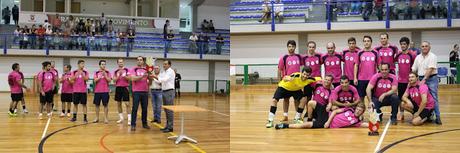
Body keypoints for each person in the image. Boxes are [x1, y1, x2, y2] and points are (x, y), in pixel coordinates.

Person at [412, 41, 442, 125]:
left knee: (433, 97)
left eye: (426, 46)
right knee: (422, 98)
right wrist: (411, 77)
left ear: (429, 47)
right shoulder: (418, 57)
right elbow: (414, 69)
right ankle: (427, 115)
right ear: (420, 48)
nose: (424, 47)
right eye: (422, 46)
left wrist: (424, 80)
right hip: (420, 78)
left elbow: (430, 69)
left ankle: (438, 117)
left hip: (431, 79)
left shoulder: (433, 56)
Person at [275, 103, 368, 129]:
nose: (358, 111)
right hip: (327, 115)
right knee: (311, 103)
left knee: (306, 125)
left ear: (362, 112)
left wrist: (373, 116)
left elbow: (369, 125)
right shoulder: (349, 110)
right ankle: (310, 117)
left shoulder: (357, 122)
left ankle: (285, 125)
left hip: (325, 124)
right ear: (356, 109)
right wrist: (328, 121)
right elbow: (335, 112)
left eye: (360, 111)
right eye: (357, 109)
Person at [278, 40, 303, 121]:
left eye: (292, 46)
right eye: (289, 46)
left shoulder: (299, 57)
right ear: (287, 47)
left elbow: (303, 67)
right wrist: (279, 82)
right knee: (286, 99)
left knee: (297, 100)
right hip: (286, 83)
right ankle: (285, 116)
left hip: (296, 83)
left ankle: (298, 116)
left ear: (295, 47)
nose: (291, 48)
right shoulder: (284, 58)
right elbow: (279, 69)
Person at [150, 60, 176, 133]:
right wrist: (153, 78)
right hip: (164, 91)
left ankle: (170, 127)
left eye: (165, 64)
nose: (164, 65)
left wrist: (155, 76)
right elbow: (160, 81)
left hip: (169, 92)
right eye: (163, 64)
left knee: (169, 110)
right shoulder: (165, 72)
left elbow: (164, 79)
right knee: (166, 109)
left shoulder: (170, 71)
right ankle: (167, 126)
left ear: (169, 65)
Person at [395, 37, 416, 121]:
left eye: (404, 44)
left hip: (409, 81)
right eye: (401, 44)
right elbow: (392, 61)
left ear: (408, 45)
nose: (402, 46)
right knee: (400, 98)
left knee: (411, 98)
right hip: (400, 81)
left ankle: (414, 112)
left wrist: (413, 79)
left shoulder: (412, 54)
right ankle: (401, 113)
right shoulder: (398, 54)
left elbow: (415, 67)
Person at [355, 36, 379, 104]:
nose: (366, 42)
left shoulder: (375, 53)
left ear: (371, 42)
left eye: (368, 41)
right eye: (365, 41)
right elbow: (356, 65)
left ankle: (372, 113)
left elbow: (379, 65)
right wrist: (355, 78)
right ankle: (361, 114)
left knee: (371, 98)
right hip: (361, 79)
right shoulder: (359, 53)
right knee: (361, 98)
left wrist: (379, 77)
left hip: (372, 79)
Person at [130, 56, 151, 131]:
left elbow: (150, 82)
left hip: (145, 91)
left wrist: (149, 76)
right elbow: (133, 78)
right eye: (138, 60)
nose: (139, 61)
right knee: (135, 108)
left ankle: (144, 124)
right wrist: (142, 76)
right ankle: (133, 124)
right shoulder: (133, 69)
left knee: (144, 109)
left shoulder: (146, 69)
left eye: (141, 60)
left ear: (143, 61)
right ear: (136, 61)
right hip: (136, 92)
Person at [113, 58, 131, 125]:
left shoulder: (127, 70)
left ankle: (129, 119)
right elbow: (114, 80)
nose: (120, 63)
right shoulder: (116, 71)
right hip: (118, 88)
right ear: (117, 63)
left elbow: (129, 78)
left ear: (123, 63)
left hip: (125, 88)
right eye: (119, 62)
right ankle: (121, 118)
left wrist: (124, 76)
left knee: (127, 104)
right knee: (119, 104)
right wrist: (119, 75)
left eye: (122, 62)